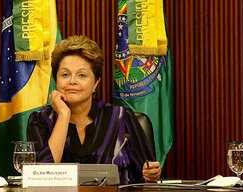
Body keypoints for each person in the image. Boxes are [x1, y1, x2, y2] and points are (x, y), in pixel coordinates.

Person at [27, 35, 161, 184]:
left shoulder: (121, 118)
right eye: (65, 74)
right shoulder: (40, 121)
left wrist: (150, 174)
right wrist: (64, 115)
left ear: (96, 83)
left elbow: (147, 177)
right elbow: (42, 178)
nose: (72, 81)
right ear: (56, 81)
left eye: (82, 75)